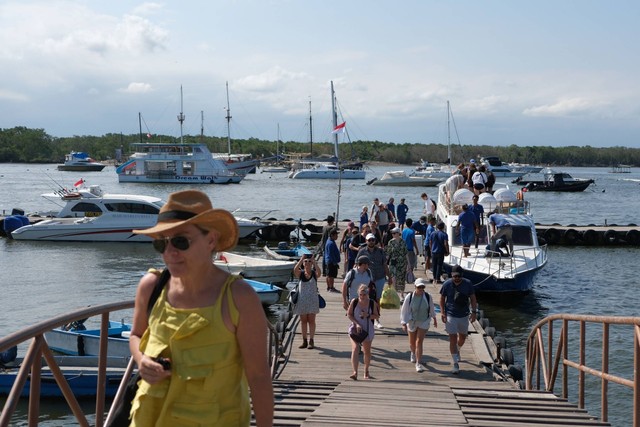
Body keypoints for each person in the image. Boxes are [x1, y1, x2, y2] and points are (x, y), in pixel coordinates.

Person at [128, 190, 273, 426]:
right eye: (161, 243)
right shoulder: (151, 286)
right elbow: (136, 335)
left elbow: (258, 376)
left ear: (211, 240)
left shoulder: (238, 297)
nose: (169, 252)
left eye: (181, 241)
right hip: (149, 417)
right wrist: (141, 359)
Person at [439, 265, 477, 374]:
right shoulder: (446, 284)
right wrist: (442, 313)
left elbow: (473, 298)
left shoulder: (468, 284)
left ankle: (458, 349)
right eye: (455, 276)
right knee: (453, 338)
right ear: (451, 275)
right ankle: (455, 363)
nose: (457, 278)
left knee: (462, 338)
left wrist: (474, 312)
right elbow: (442, 298)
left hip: (464, 315)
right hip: (451, 315)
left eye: (459, 276)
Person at [401, 278, 437, 372]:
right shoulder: (409, 297)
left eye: (422, 287)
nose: (421, 289)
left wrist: (434, 318)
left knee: (419, 342)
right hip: (412, 321)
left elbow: (432, 308)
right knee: (412, 343)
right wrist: (403, 323)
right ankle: (413, 352)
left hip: (424, 321)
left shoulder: (428, 296)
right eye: (419, 287)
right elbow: (404, 310)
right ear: (415, 287)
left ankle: (418, 363)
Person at [347, 284, 380, 380]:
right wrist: (356, 323)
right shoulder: (355, 301)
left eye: (364, 294)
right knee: (355, 348)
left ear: (367, 294)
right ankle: (355, 372)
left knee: (367, 352)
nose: (362, 297)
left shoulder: (371, 303)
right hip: (355, 328)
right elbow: (349, 315)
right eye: (361, 294)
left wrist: (368, 315)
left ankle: (366, 371)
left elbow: (377, 316)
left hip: (367, 329)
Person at [356, 233, 389, 327]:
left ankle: (376, 319)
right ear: (366, 241)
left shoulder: (380, 251)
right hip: (366, 278)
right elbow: (356, 264)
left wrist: (389, 277)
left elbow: (385, 265)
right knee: (364, 298)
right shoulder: (362, 251)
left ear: (375, 241)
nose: (371, 242)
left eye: (373, 240)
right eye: (369, 240)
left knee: (377, 299)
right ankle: (362, 317)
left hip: (379, 277)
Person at [292, 255, 320, 349]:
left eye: (309, 262)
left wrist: (314, 262)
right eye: (306, 262)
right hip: (302, 301)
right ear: (303, 264)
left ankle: (311, 340)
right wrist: (301, 260)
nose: (307, 263)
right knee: (303, 321)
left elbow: (319, 273)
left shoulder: (314, 274)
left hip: (312, 301)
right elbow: (295, 270)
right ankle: (304, 340)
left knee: (311, 321)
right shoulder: (300, 274)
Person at [385, 227, 408, 299]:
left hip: (402, 263)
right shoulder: (390, 242)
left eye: (394, 233)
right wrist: (385, 263)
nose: (393, 234)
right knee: (393, 278)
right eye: (392, 233)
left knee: (401, 278)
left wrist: (409, 265)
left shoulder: (403, 242)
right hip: (393, 262)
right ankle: (394, 294)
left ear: (398, 233)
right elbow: (388, 253)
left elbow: (406, 253)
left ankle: (401, 294)